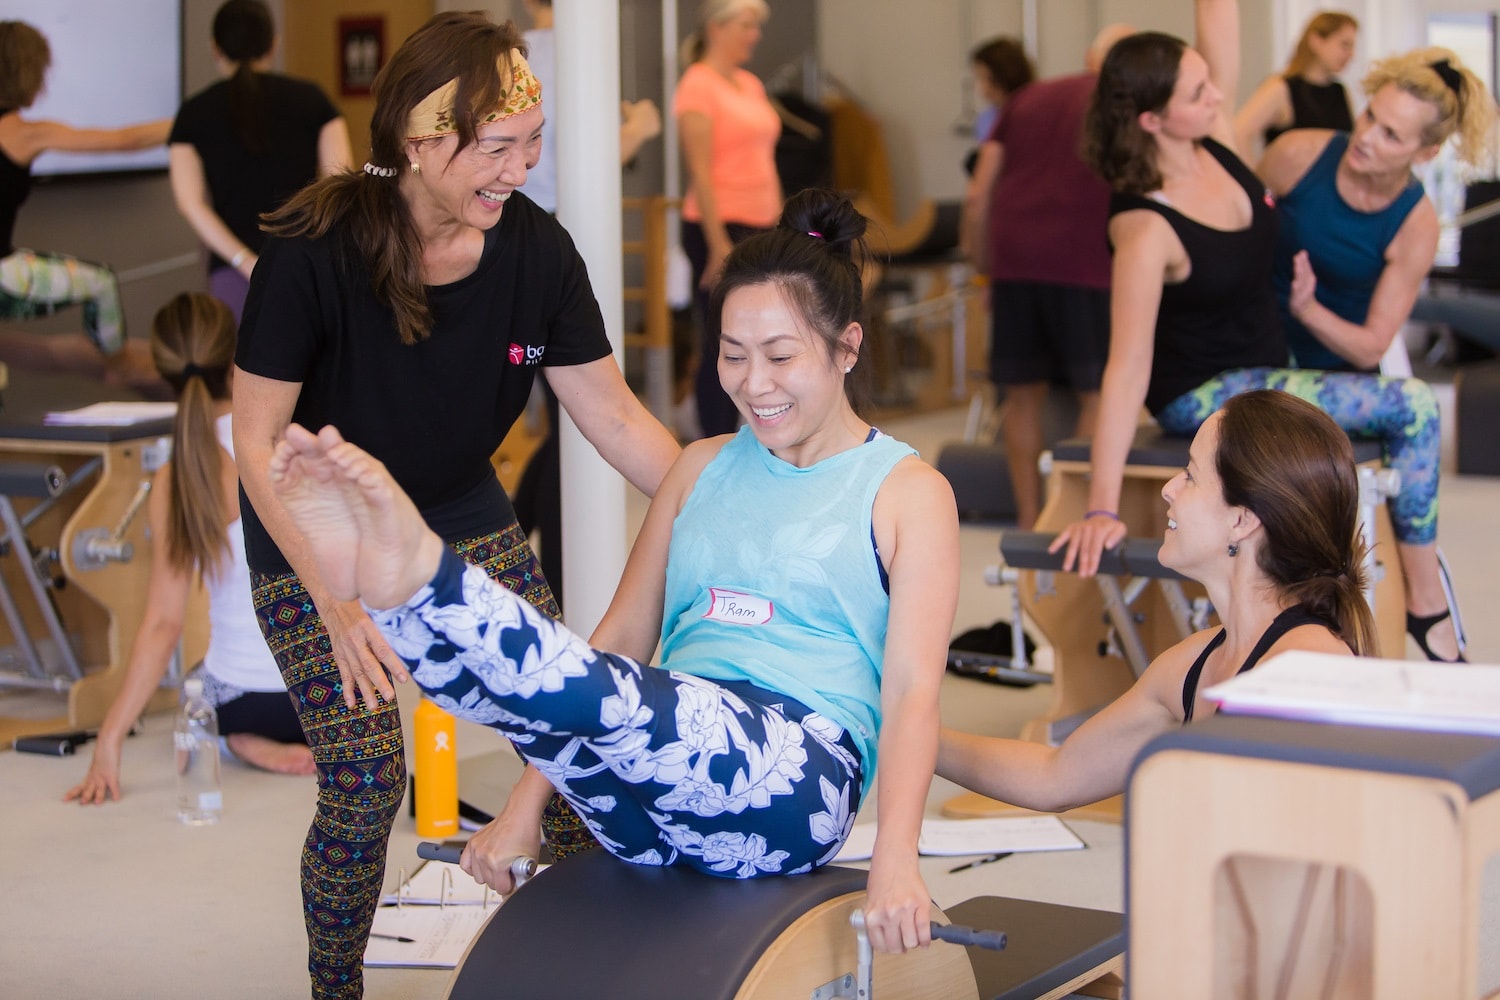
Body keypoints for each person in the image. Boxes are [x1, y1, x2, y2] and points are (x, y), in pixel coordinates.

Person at [267, 188, 958, 957]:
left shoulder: (907, 492)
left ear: (847, 347)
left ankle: (416, 575)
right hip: (652, 796)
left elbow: (912, 692)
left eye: (780, 356)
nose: (754, 384)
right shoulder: (699, 469)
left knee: (613, 694)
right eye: (733, 355)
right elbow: (623, 636)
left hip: (798, 777)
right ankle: (408, 600)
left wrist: (896, 860)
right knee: (532, 699)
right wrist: (524, 808)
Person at [231, 13, 681, 998]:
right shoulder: (311, 253)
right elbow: (255, 443)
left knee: (574, 742)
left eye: (533, 143)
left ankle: (585, 969)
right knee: (364, 781)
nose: (521, 169)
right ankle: (335, 986)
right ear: (418, 140)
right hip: (319, 535)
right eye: (497, 148)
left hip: (458, 511)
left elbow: (612, 415)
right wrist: (336, 605)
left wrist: (725, 500)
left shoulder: (536, 252)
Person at [1053, 0, 1461, 663]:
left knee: (1374, 399)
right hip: (1202, 390)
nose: (1218, 95)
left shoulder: (1214, 142)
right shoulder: (1144, 227)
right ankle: (1425, 603)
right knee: (1414, 406)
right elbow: (1126, 368)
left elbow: (1218, 17)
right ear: (1153, 120)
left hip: (1267, 365)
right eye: (1198, 91)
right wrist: (1102, 505)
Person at [941, 390, 1373, 810]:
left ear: (1241, 520)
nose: (1169, 488)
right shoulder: (1192, 665)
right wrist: (916, 735)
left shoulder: (1308, 670)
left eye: (1190, 475)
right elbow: (1054, 776)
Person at [63, 292, 312, 806]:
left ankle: (235, 737)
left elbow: (164, 624)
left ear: (163, 372)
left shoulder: (179, 475)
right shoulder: (293, 435)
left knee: (196, 688)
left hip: (243, 702)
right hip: (329, 694)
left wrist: (109, 741)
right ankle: (296, 739)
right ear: (236, 357)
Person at [513, 0, 664, 611]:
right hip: (552, 233)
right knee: (575, 421)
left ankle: (522, 541)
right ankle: (546, 566)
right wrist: (641, 127)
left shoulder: (516, 58)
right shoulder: (558, 57)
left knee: (567, 420)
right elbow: (592, 155)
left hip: (534, 236)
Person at [958, 25, 1131, 529]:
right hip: (1086, 260)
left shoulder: (1026, 99)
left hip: (1017, 259)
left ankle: (1030, 518)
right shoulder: (1121, 103)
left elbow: (978, 194)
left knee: (1020, 396)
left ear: (1089, 55)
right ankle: (1070, 517)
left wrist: (984, 266)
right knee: (1096, 395)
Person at [1259, 49, 1495, 373]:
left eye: (1390, 135)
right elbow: (1236, 224)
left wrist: (1308, 310)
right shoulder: (1296, 153)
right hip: (1251, 343)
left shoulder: (1417, 226)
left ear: (1425, 154)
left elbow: (1370, 348)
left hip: (1332, 368)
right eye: (1370, 115)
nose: (1365, 138)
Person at [0, 20, 170, 393]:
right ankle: (121, 367)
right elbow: (124, 140)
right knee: (100, 282)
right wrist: (190, 121)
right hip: (4, 275)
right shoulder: (21, 132)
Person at [169, 0, 351, 322]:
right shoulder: (314, 101)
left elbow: (190, 204)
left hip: (231, 274)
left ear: (215, 49)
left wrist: (245, 262)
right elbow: (339, 186)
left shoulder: (193, 113)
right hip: (305, 268)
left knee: (238, 354)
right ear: (273, 45)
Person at [675, 0, 782, 438]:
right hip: (718, 226)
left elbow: (763, 160)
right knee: (724, 338)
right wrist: (718, 243)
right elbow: (700, 171)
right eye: (746, 25)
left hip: (761, 224)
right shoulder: (697, 85)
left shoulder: (749, 84)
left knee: (764, 335)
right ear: (717, 28)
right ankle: (715, 441)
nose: (755, 35)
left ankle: (757, 432)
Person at [1232, 11, 1358, 157]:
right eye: (1344, 45)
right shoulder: (1281, 88)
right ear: (1316, 41)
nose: (1351, 54)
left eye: (1352, 47)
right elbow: (1238, 133)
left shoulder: (1341, 91)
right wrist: (1252, 172)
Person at [962, 36, 1034, 177]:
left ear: (1005, 75)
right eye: (978, 78)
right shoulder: (986, 120)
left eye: (984, 78)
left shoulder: (1037, 113)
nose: (981, 88)